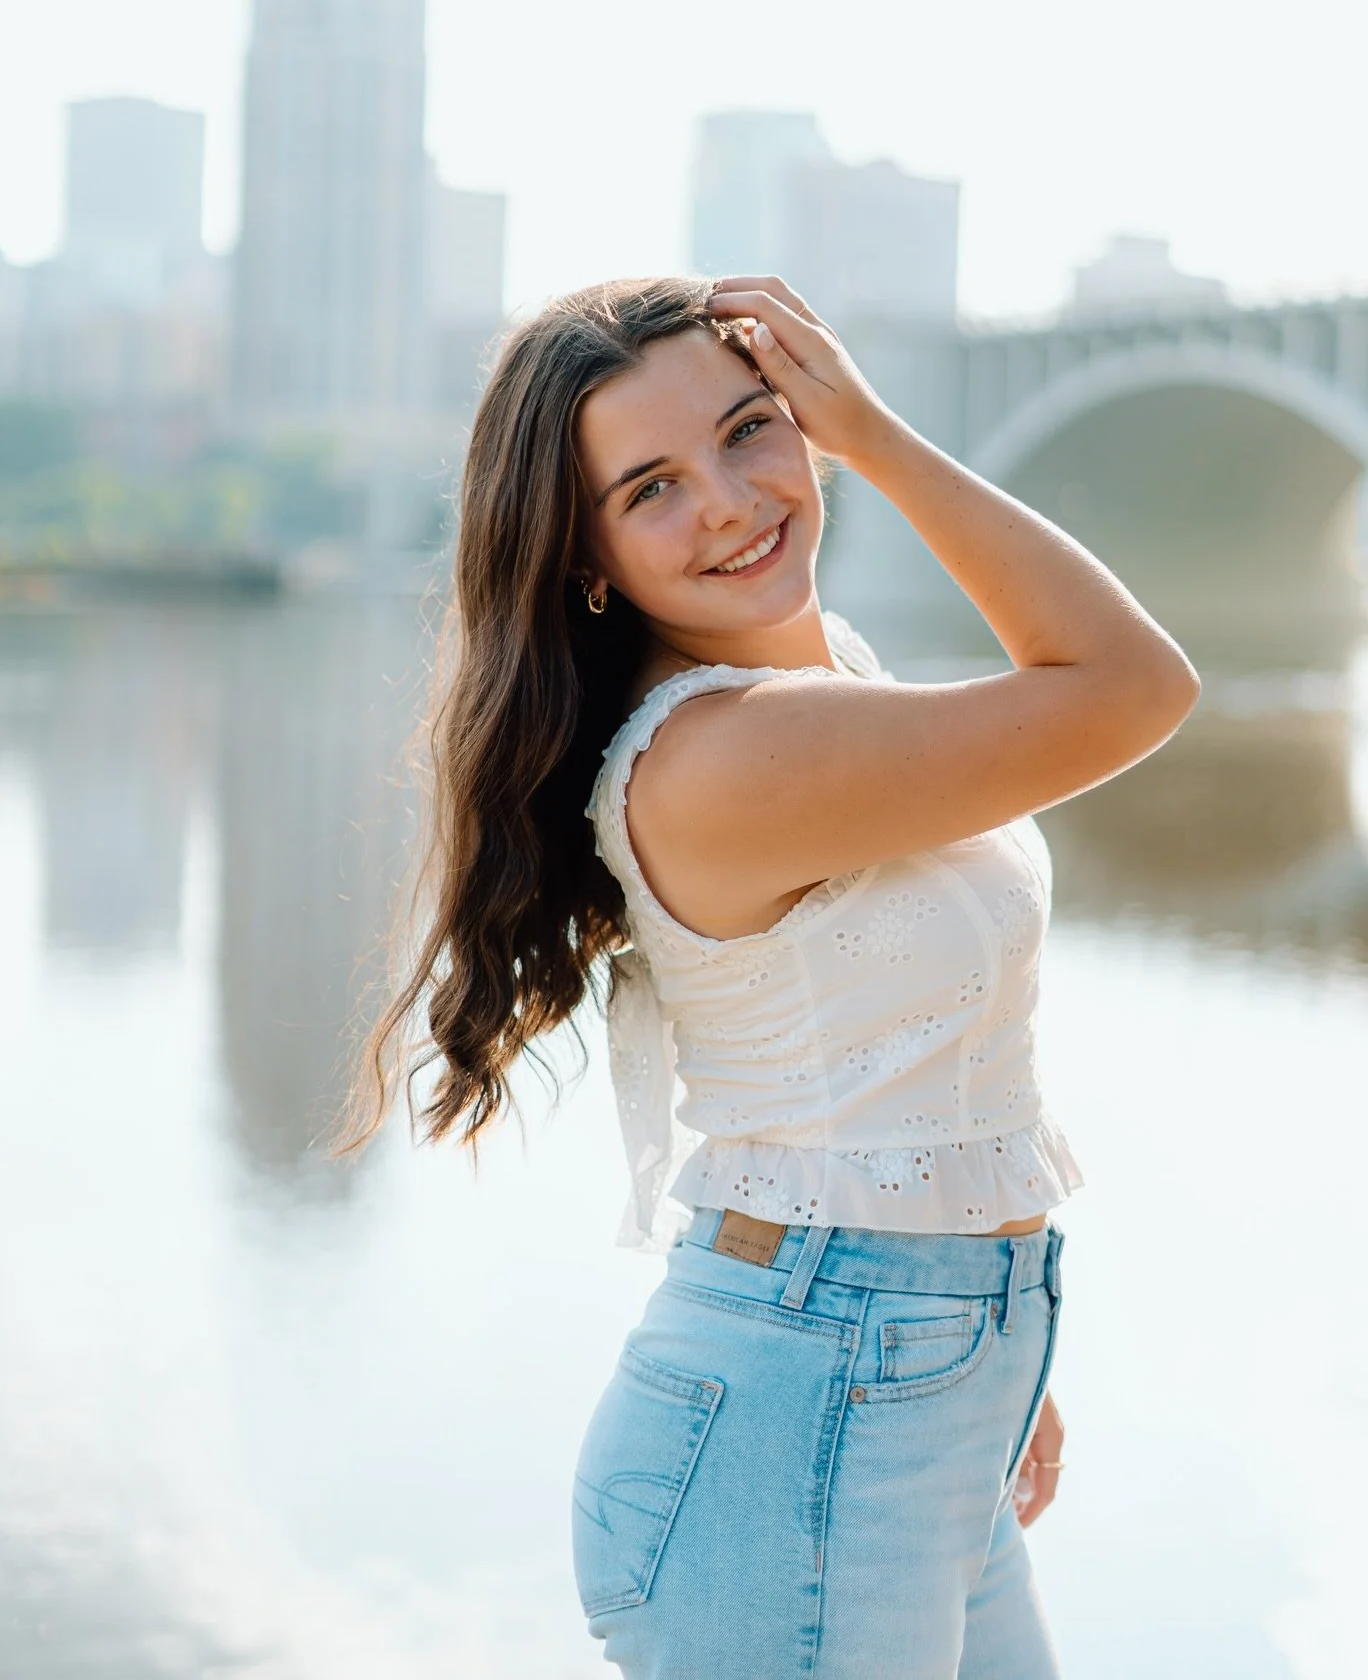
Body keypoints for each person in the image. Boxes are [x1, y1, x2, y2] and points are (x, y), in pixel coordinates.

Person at [338, 275, 1200, 1678]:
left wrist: (988, 1357)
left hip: (910, 1377)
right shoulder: (722, 756)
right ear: (586, 555)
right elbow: (1134, 687)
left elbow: (904, 1068)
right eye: (654, 488)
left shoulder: (825, 683)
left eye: (752, 429)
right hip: (806, 1416)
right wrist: (882, 439)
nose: (734, 502)